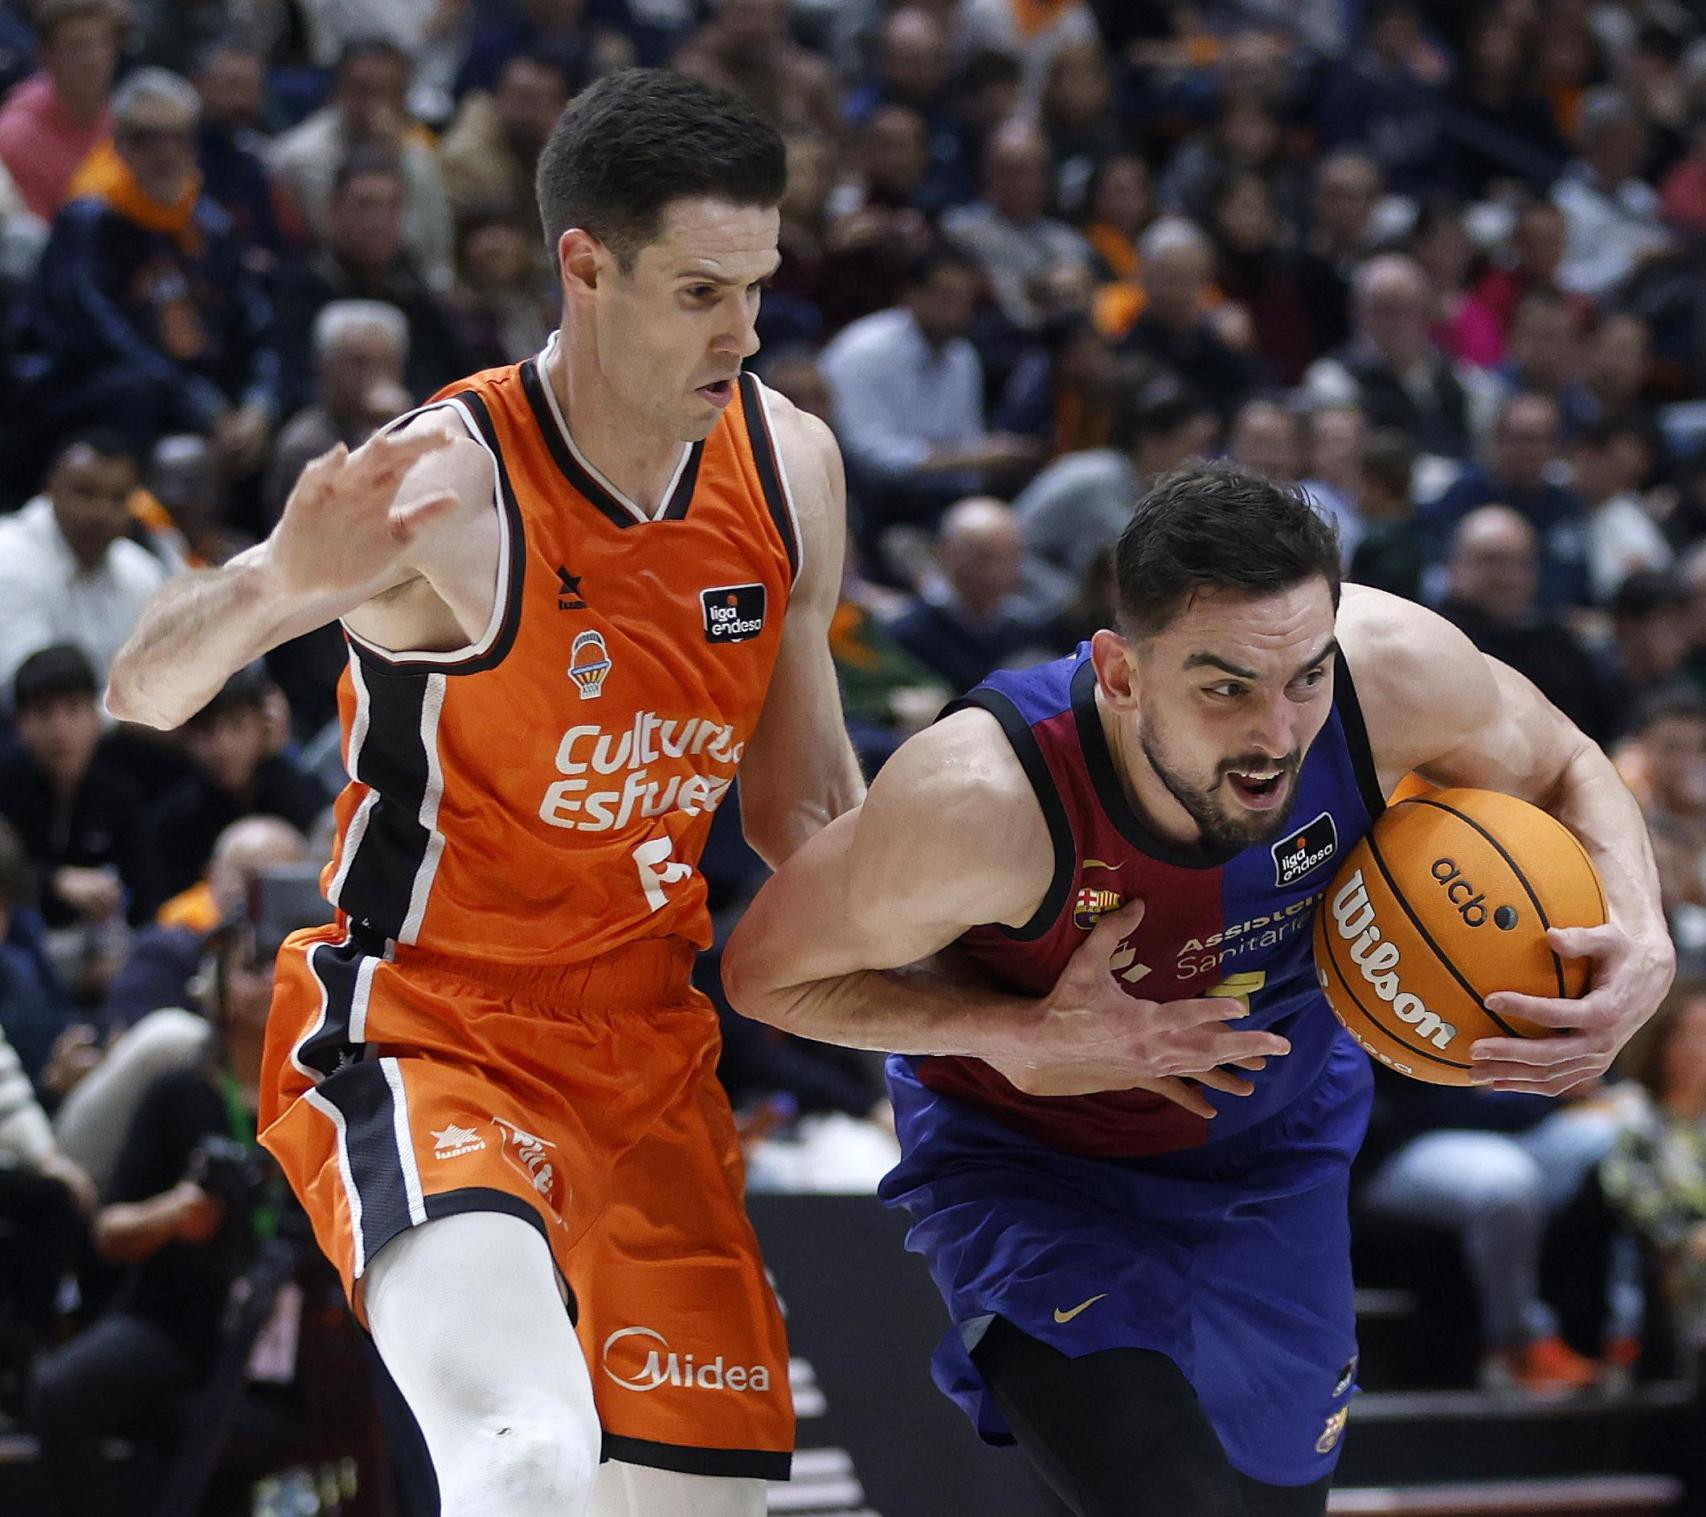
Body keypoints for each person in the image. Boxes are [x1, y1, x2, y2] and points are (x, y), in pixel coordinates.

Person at [106, 67, 862, 1517]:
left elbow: (808, 816)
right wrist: (277, 588)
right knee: (526, 1460)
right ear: (584, 265)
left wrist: (982, 981)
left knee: (695, 1506)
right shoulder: (446, 489)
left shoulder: (790, 468)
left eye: (758, 287)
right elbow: (143, 689)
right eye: (702, 291)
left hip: (649, 1051)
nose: (744, 332)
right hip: (429, 1024)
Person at [722, 462, 1673, 1517]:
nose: (1275, 731)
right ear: (1120, 673)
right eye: (1224, 686)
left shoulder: (1392, 670)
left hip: (1278, 1153)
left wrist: (1640, 927)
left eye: (1304, 676)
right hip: (1039, 1166)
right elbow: (766, 972)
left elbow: (1564, 760)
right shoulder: (980, 802)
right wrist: (1009, 1029)